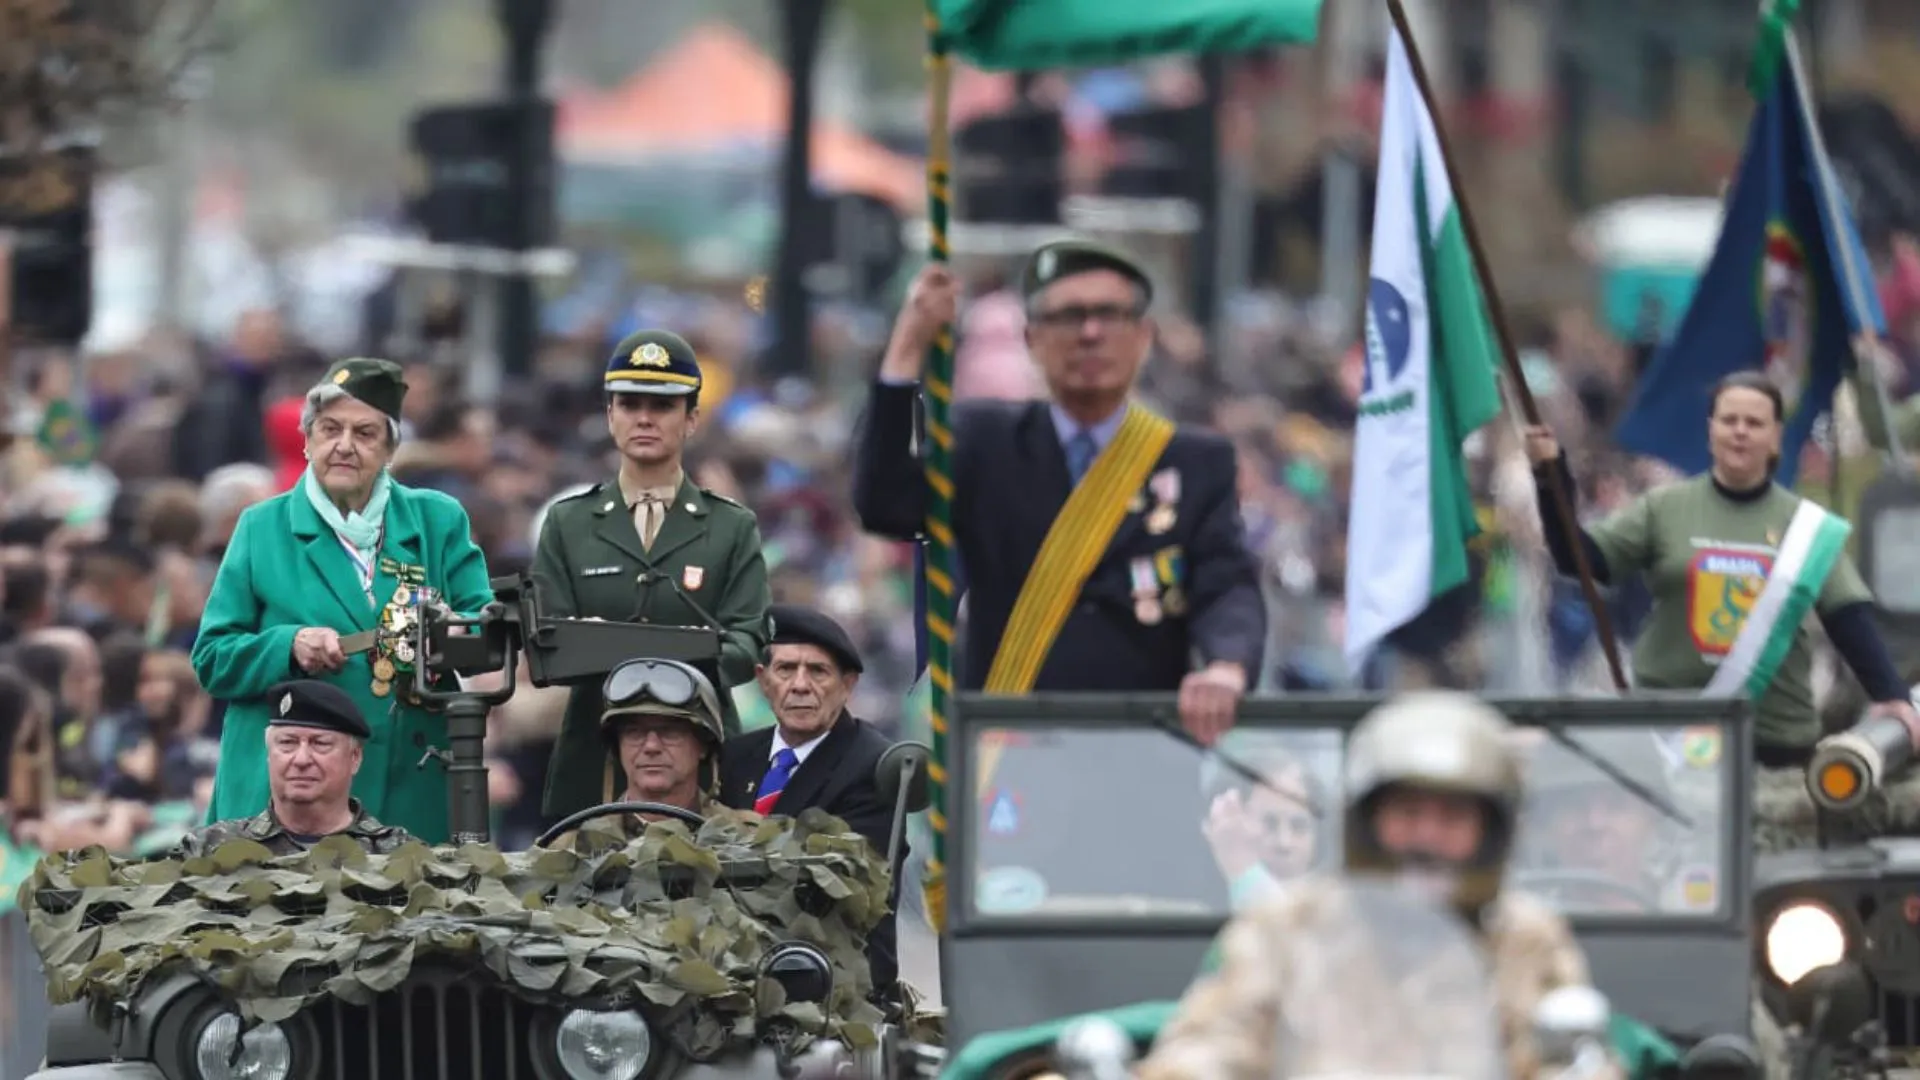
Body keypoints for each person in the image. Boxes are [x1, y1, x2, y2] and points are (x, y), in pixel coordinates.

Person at [852, 245, 1264, 745]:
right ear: (1032, 339)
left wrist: (1226, 667)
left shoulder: (1194, 462)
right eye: (1068, 317)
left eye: (1110, 315)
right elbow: (886, 504)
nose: (1090, 334)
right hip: (1011, 752)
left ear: (1144, 336)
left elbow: (1226, 583)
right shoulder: (983, 441)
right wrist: (908, 347)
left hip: (1145, 749)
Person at [1135, 691, 1620, 1080]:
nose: (1426, 838)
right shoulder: (1286, 928)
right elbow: (1212, 1044)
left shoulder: (1524, 938)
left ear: (1490, 831)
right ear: (1366, 822)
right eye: (1408, 814)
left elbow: (1572, 1060)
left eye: (1452, 818)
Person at [1526, 371, 1918, 765]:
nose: (1740, 432)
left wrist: (1892, 697)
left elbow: (1848, 619)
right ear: (1710, 430)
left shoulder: (1809, 529)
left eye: (1754, 423)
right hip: (1671, 740)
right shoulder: (1663, 508)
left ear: (1776, 436)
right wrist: (1550, 479)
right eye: (1729, 421)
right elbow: (1577, 560)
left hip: (1773, 748)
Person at [193, 357, 496, 844]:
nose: (344, 446)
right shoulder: (261, 527)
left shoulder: (437, 520)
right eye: (329, 429)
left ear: (391, 448)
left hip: (406, 782)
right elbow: (211, 659)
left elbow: (486, 635)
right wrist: (289, 646)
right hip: (287, 797)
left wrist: (439, 635)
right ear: (307, 440)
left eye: (365, 433)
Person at [533, 329, 772, 824]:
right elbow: (549, 645)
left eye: (662, 406)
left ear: (691, 420)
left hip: (701, 751)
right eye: (629, 403)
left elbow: (749, 644)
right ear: (609, 416)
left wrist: (652, 659)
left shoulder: (730, 526)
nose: (644, 418)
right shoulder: (569, 521)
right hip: (594, 749)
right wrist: (686, 646)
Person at [719, 603, 901, 991]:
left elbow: (840, 891)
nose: (800, 685)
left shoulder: (874, 766)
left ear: (848, 685)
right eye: (786, 669)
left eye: (818, 671)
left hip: (834, 982)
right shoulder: (732, 757)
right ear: (763, 680)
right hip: (735, 972)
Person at [172, 679, 413, 858]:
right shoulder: (208, 850)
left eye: (320, 744)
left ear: (355, 757)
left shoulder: (397, 856)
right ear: (269, 755)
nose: (301, 759)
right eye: (287, 743)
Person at [542, 658, 736, 846]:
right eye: (634, 733)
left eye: (669, 732)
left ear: (703, 745)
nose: (651, 746)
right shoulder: (571, 850)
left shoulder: (744, 839)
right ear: (618, 747)